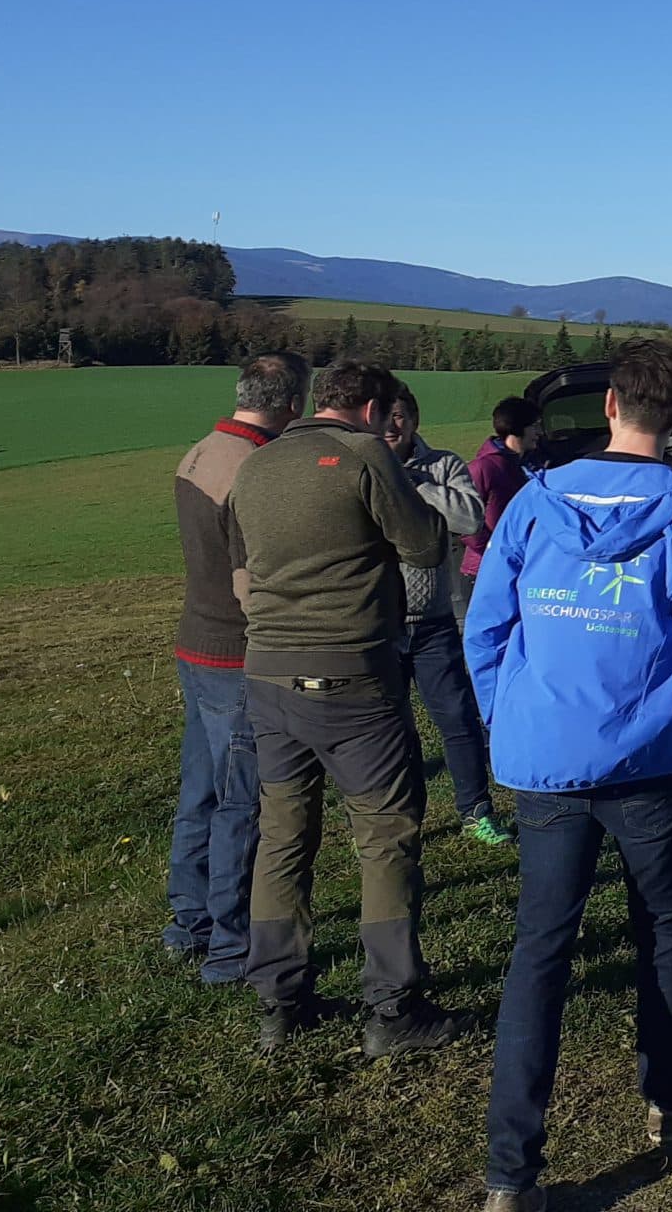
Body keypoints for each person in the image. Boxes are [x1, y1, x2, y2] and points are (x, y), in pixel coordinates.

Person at [467, 340, 672, 1212]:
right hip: (653, 758)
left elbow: (486, 630)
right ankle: (670, 1096)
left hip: (545, 759)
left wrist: (504, 720)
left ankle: (512, 1174)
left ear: (612, 401)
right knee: (663, 929)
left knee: (540, 951)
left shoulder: (534, 502)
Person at [228, 358, 466, 1057]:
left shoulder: (258, 464)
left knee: (283, 837)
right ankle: (392, 1009)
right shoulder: (365, 456)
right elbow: (423, 546)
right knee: (386, 836)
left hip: (267, 670)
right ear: (370, 408)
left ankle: (279, 1000)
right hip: (353, 671)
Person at [166, 352, 308, 984]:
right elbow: (251, 580)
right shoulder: (255, 469)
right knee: (242, 803)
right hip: (235, 653)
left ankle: (187, 921)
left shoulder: (199, 451)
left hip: (194, 643)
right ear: (291, 405)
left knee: (198, 793)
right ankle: (230, 947)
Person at [383, 386, 506, 847]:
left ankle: (476, 811)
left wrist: (413, 482)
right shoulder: (363, 467)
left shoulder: (444, 465)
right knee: (390, 729)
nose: (393, 427)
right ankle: (397, 818)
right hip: (380, 622)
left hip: (433, 619)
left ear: (414, 420)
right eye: (386, 417)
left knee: (457, 718)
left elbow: (470, 519)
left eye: (401, 417)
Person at [463, 397, 543, 585]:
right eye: (534, 426)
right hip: (483, 572)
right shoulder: (483, 467)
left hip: (522, 567)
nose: (539, 432)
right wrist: (495, 551)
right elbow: (465, 522)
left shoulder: (533, 466)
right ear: (517, 428)